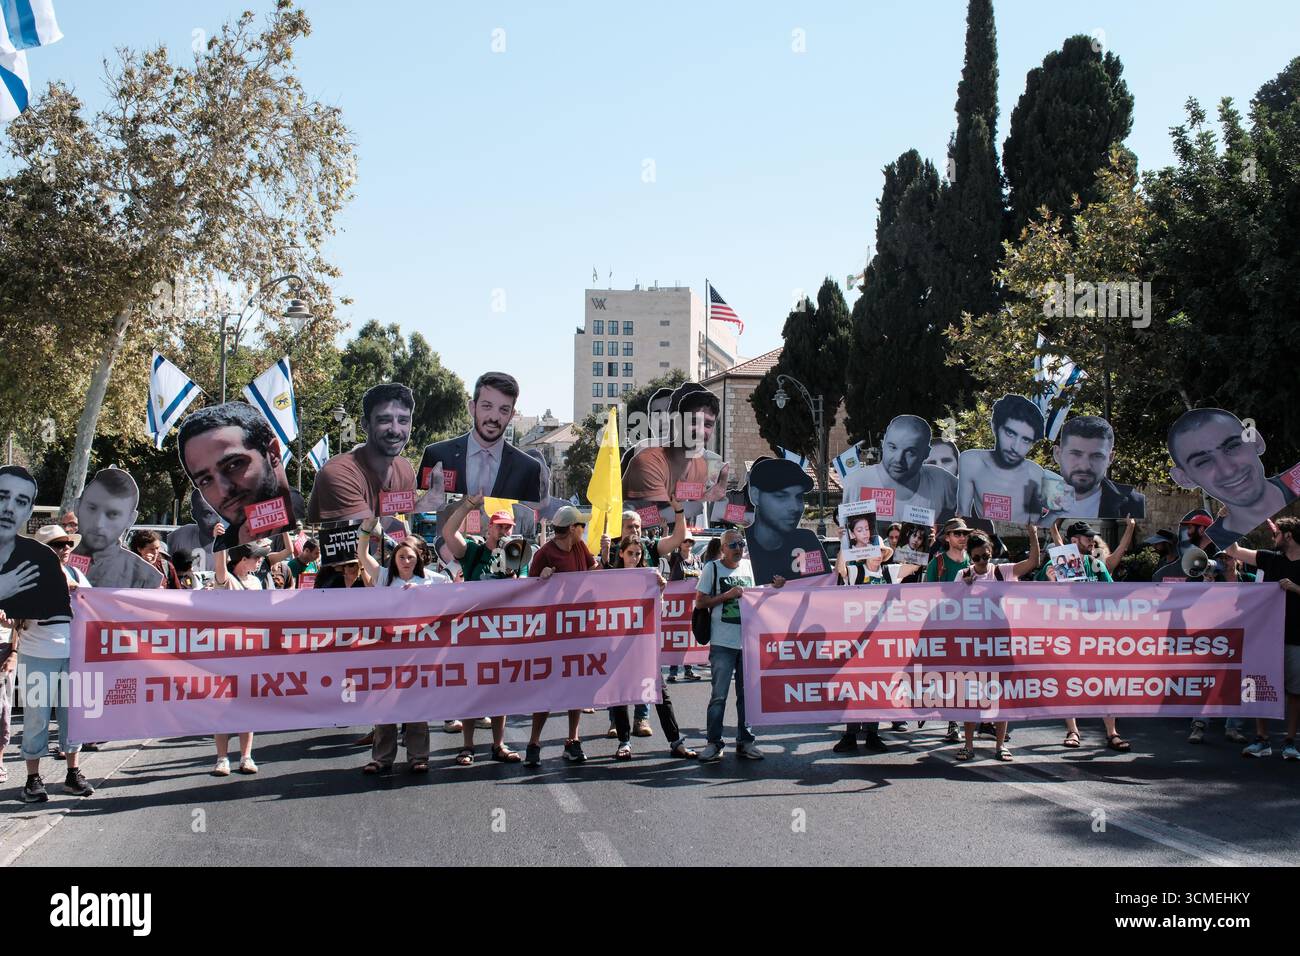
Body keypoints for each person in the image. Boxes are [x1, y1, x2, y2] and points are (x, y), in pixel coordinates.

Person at [0, 468, 94, 802]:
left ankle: (71, 773)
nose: (65, 548)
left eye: (67, 544)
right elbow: (13, 612)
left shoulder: (78, 577)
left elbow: (96, 608)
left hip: (74, 655)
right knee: (37, 719)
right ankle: (33, 778)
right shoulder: (27, 574)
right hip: (38, 653)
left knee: (73, 718)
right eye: (57, 545)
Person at [1038, 521, 1131, 753]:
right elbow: (1033, 600)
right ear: (1074, 541)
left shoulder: (1096, 564)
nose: (1092, 541)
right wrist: (1050, 583)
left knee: (1104, 683)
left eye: (1092, 537)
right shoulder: (1054, 564)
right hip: (1066, 635)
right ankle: (1073, 730)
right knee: (1069, 682)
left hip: (1094, 635)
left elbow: (1112, 595)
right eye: (1087, 537)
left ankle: (1112, 733)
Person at [602, 535, 698, 760]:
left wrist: (661, 591)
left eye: (638, 554)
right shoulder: (611, 578)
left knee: (660, 694)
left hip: (643, 645)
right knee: (620, 695)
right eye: (630, 553)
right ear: (622, 554)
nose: (634, 558)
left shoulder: (650, 577)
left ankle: (675, 741)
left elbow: (658, 612)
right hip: (618, 646)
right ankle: (624, 742)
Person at [523, 505, 602, 766]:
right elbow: (528, 593)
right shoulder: (545, 553)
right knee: (547, 689)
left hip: (579, 630)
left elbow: (596, 573)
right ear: (571, 529)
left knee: (576, 686)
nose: (584, 529)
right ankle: (534, 744)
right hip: (552, 633)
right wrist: (541, 578)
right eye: (581, 525)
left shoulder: (580, 548)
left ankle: (573, 741)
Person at [697, 528, 785, 762]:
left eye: (741, 544)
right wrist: (727, 596)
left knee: (747, 696)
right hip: (722, 643)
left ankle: (745, 741)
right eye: (733, 545)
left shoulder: (750, 567)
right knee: (719, 696)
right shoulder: (712, 568)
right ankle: (714, 743)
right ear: (722, 548)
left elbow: (761, 596)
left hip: (747, 643)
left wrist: (775, 587)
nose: (738, 548)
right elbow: (700, 602)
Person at [177, 401, 305, 550]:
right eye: (206, 480)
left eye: (234, 465)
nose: (224, 491)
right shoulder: (223, 543)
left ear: (273, 453)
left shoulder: (303, 510)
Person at [1168, 408, 1298, 548]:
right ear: (1184, 478)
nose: (1228, 470)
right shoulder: (1213, 547)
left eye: (1233, 446)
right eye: (1203, 462)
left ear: (1256, 441)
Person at [1225, 517, 1300, 760]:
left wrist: (1296, 588)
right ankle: (1262, 740)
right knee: (1262, 687)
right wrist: (1227, 520)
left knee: (1295, 693)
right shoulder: (1270, 558)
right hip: (1267, 637)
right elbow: (1233, 551)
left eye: (1276, 533)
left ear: (1288, 536)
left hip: (1296, 638)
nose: (1273, 538)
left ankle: (1290, 742)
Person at [418, 372, 543, 500]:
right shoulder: (436, 456)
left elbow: (529, 517)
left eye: (504, 410)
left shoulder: (528, 469)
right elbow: (421, 508)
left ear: (511, 415)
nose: (494, 417)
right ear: (472, 408)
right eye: (487, 406)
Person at [308, 383, 421, 523]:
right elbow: (366, 532)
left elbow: (403, 523)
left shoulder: (405, 469)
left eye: (403, 421)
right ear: (365, 424)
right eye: (384, 420)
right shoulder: (338, 473)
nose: (395, 430)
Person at [622, 383, 730, 520]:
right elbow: (629, 519)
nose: (700, 431)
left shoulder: (712, 464)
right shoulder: (645, 458)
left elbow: (718, 515)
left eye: (707, 424)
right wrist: (692, 507)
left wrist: (721, 505)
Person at [832, 534, 894, 753]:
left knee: (875, 687)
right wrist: (842, 544)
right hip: (856, 639)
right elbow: (841, 569)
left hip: (880, 638)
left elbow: (914, 566)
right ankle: (850, 734)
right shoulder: (857, 572)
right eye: (873, 552)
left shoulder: (889, 572)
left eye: (880, 552)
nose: (877, 556)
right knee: (855, 687)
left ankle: (872, 733)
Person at [211, 542, 268, 775]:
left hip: (251, 651)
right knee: (222, 706)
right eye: (256, 558)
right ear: (243, 559)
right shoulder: (227, 582)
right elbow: (221, 570)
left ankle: (246, 756)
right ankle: (222, 758)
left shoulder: (256, 582)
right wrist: (220, 544)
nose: (260, 561)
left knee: (247, 705)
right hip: (226, 652)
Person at [842, 416, 957, 523]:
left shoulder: (941, 481)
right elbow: (847, 533)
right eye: (892, 447)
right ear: (883, 443)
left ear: (926, 453)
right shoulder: (857, 483)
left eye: (910, 452)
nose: (898, 459)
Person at [958, 395, 1046, 523]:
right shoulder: (972, 461)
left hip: (1022, 539)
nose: (1015, 447)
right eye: (1010, 433)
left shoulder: (1035, 473)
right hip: (986, 538)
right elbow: (963, 513)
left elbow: (1035, 522)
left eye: (1026, 440)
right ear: (994, 427)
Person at [1039, 416, 1146, 520]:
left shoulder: (1133, 503)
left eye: (1097, 456)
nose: (1085, 465)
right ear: (1058, 454)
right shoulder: (1033, 498)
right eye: (1076, 454)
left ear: (1110, 458)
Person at [71, 468, 163, 589]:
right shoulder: (50, 560)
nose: (99, 523)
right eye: (92, 508)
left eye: (113, 514)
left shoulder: (144, 577)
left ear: (131, 519)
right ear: (77, 506)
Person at [744, 457, 826, 584]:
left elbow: (820, 585)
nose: (795, 507)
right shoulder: (741, 546)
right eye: (781, 496)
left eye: (799, 497)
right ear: (755, 495)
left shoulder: (806, 541)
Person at [442, 496, 519, 581]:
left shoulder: (516, 556)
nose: (503, 531)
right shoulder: (472, 551)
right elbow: (449, 532)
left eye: (508, 527)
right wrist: (469, 504)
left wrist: (510, 572)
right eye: (500, 526)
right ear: (490, 527)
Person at [167, 489, 221, 574]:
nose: (215, 520)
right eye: (207, 514)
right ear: (194, 514)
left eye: (219, 512)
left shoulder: (237, 539)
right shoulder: (181, 535)